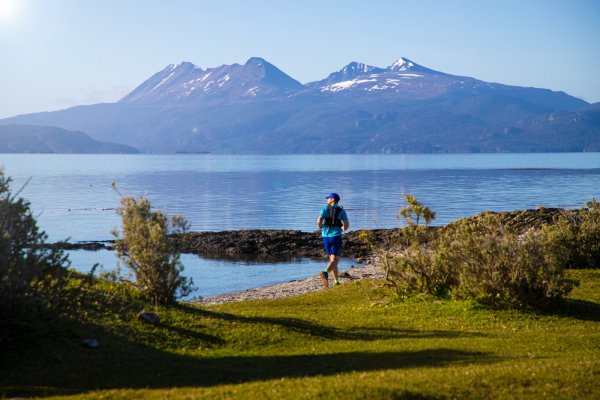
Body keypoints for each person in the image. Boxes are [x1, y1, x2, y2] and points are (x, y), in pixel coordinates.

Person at [316, 192, 350, 288]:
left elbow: (319, 221)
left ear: (331, 199)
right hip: (335, 236)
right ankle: (325, 272)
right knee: (335, 260)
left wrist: (320, 227)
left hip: (325, 237)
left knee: (332, 259)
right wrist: (343, 228)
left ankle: (336, 281)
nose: (327, 200)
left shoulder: (324, 209)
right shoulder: (341, 211)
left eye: (328, 198)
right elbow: (346, 225)